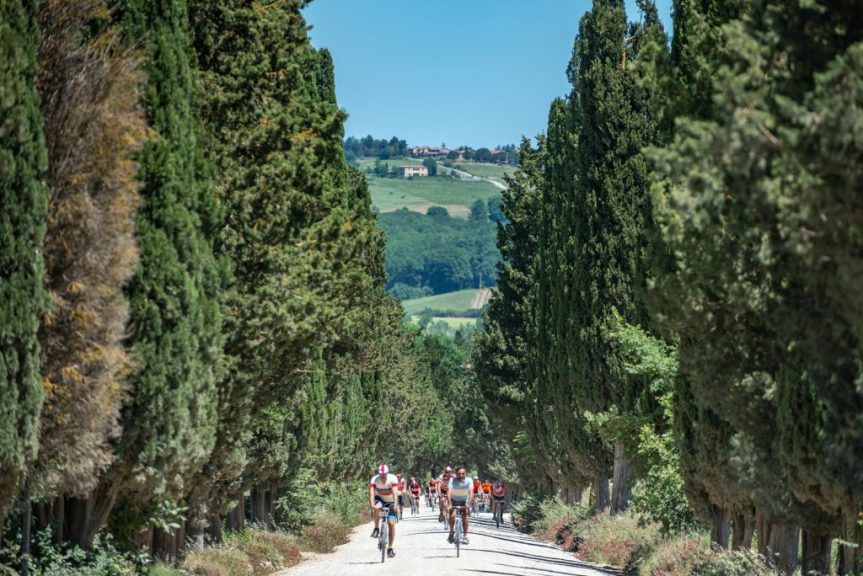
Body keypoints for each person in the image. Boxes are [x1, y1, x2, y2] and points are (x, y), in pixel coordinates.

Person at [369, 464, 399, 558]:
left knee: (391, 523)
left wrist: (395, 505)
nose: (382, 477)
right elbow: (372, 493)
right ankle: (376, 528)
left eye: (384, 475)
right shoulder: (374, 479)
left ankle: (390, 548)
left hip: (390, 501)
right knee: (376, 507)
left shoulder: (393, 478)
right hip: (380, 499)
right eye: (381, 475)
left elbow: (395, 493)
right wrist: (372, 505)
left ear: (387, 473)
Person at [448, 467, 473, 544]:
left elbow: (471, 493)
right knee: (452, 516)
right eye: (459, 474)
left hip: (464, 501)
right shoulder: (452, 480)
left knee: (465, 517)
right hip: (454, 500)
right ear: (456, 474)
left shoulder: (469, 480)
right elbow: (448, 493)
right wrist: (450, 504)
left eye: (463, 474)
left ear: (466, 474)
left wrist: (468, 502)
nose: (461, 475)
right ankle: (451, 533)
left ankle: (465, 536)